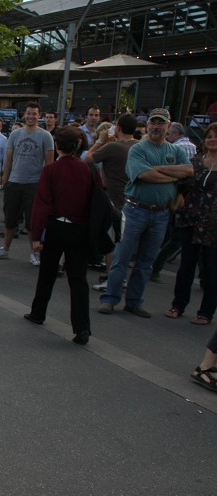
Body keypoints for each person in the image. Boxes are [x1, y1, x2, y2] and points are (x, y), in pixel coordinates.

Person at [99, 108, 193, 316]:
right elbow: (144, 175)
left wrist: (158, 169)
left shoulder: (174, 151)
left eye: (161, 123)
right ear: (148, 124)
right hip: (135, 210)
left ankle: (134, 301)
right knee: (122, 257)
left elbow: (189, 171)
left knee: (146, 262)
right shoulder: (138, 149)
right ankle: (110, 298)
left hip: (160, 213)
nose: (156, 127)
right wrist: (172, 176)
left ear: (168, 127)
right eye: (153, 122)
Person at [24, 127, 95, 344]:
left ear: (57, 145)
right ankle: (82, 328)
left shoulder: (51, 170)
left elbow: (42, 204)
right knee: (78, 279)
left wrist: (36, 235)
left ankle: (38, 312)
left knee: (47, 272)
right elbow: (97, 199)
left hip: (55, 226)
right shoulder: (88, 169)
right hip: (80, 227)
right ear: (79, 145)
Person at [0, 102, 54, 264]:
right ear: (24, 115)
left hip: (34, 183)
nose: (31, 116)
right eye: (29, 113)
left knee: (32, 221)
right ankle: (5, 248)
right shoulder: (15, 134)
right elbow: (9, 157)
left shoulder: (45, 136)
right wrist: (5, 176)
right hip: (14, 182)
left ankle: (35, 252)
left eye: (34, 114)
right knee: (10, 218)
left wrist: (46, 185)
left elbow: (49, 163)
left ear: (39, 115)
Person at [165, 123, 217, 324]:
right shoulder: (196, 162)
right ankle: (178, 305)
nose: (212, 139)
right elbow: (182, 184)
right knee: (186, 265)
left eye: (215, 136)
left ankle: (206, 312)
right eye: (209, 136)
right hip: (190, 219)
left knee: (212, 269)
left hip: (213, 224)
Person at [86, 113, 139, 286]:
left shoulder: (114, 147)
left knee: (113, 238)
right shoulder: (140, 146)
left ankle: (113, 278)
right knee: (125, 240)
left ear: (118, 128)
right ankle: (120, 277)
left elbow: (86, 159)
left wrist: (100, 141)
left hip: (114, 197)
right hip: (134, 198)